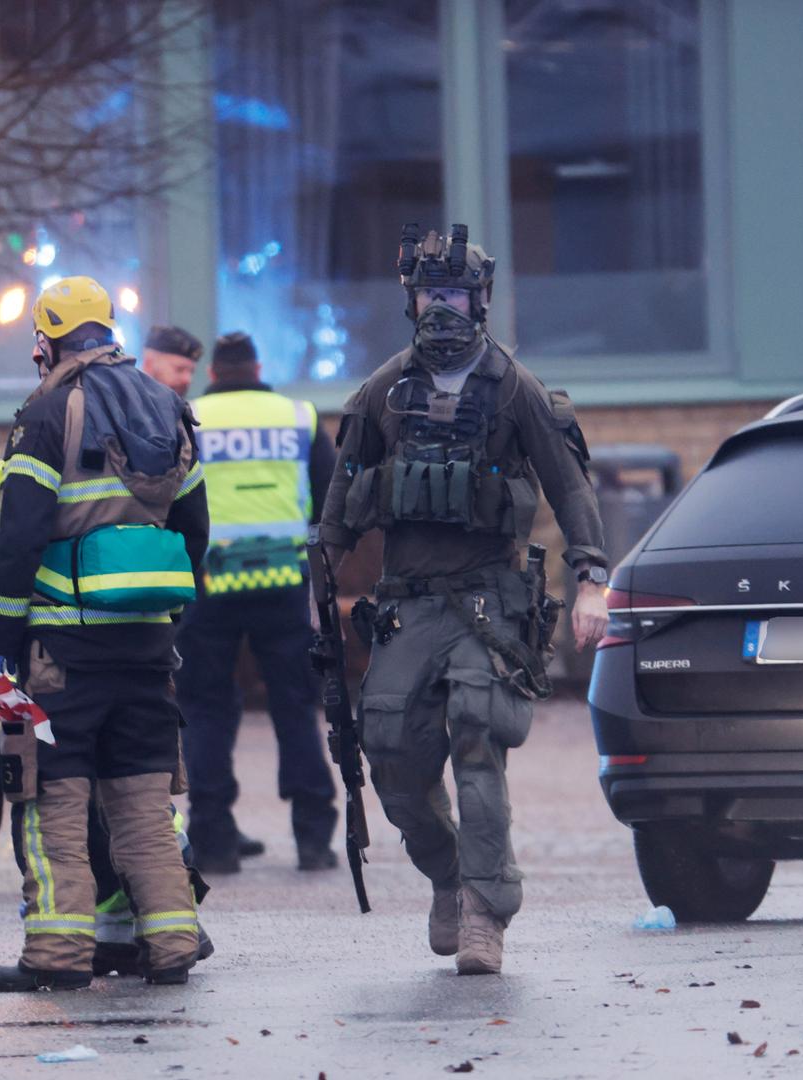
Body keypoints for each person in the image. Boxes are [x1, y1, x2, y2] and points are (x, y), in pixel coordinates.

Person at [318, 224, 609, 976]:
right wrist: (319, 576)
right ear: (410, 302)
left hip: (487, 600)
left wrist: (592, 579)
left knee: (478, 741)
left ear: (479, 302)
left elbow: (570, 486)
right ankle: (448, 876)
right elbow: (344, 498)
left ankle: (486, 908)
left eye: (453, 296)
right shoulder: (385, 390)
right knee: (391, 760)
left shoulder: (516, 389)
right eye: (428, 296)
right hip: (407, 602)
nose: (440, 311)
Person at [0, 276, 207, 992]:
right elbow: (194, 528)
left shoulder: (47, 411)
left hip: (62, 651)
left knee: (53, 807)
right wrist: (166, 616)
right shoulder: (168, 406)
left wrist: (2, 634)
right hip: (145, 645)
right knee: (144, 804)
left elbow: (18, 535)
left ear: (47, 340)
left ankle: (56, 955)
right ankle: (172, 944)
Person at [170, 330, 339, 874]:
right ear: (259, 367)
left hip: (208, 586)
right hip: (282, 583)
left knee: (206, 710)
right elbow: (330, 498)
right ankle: (313, 837)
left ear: (213, 373)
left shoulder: (186, 416)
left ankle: (214, 838)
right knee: (295, 708)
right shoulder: (298, 416)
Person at [140, 324, 204, 397]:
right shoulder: (128, 405)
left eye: (191, 372)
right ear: (148, 364)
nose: (187, 380)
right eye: (179, 369)